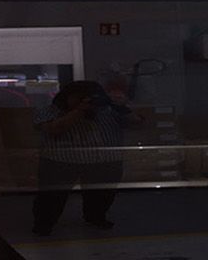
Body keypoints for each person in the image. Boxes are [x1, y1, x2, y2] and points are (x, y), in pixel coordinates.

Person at [32, 79, 136, 236]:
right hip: (60, 162)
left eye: (92, 97)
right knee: (51, 197)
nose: (87, 100)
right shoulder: (50, 110)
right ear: (67, 96)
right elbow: (53, 129)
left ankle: (96, 217)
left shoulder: (108, 110)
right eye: (80, 97)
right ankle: (43, 224)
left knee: (102, 195)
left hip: (105, 162)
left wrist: (120, 106)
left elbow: (137, 123)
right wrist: (79, 111)